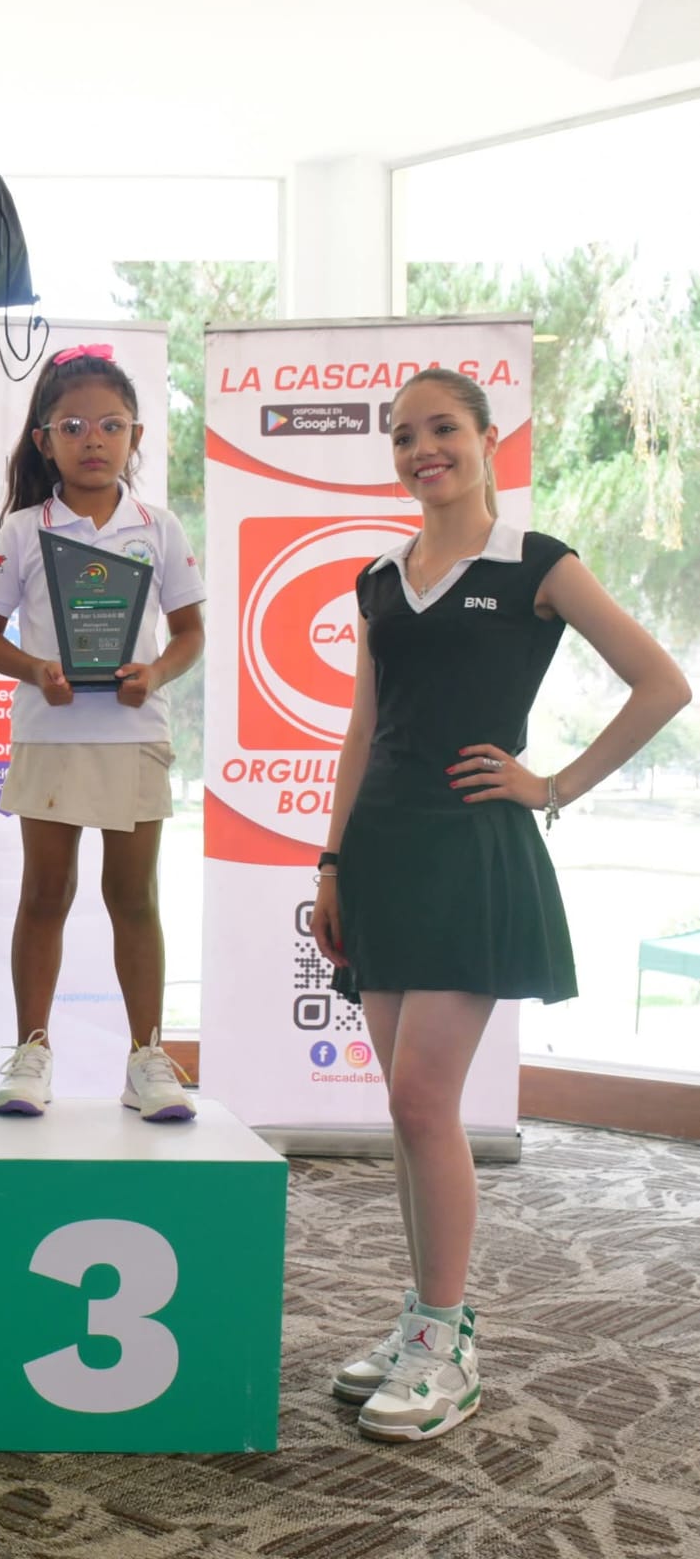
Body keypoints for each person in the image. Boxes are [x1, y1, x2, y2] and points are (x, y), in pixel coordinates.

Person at [311, 366, 690, 1443]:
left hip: (472, 853)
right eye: (402, 436)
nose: (421, 450)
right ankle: (424, 1319)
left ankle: (445, 1343)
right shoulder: (379, 578)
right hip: (381, 851)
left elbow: (662, 683)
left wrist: (553, 785)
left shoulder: (538, 564)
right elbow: (362, 727)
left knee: (422, 1100)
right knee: (405, 1111)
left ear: (487, 440)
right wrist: (330, 861)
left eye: (442, 429)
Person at [0, 346, 205, 1119]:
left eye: (110, 425)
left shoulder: (158, 528)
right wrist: (35, 670)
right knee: (45, 895)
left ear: (135, 435)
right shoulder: (23, 530)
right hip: (50, 735)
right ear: (44, 441)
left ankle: (146, 1059)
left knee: (133, 898)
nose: (92, 440)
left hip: (133, 736)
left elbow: (189, 634)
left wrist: (154, 675)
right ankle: (31, 1053)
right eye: (72, 427)